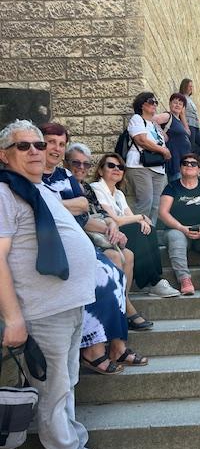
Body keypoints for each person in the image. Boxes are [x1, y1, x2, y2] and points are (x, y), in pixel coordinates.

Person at [0, 119, 119, 449]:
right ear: (4, 155)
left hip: (69, 305)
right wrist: (13, 318)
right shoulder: (5, 193)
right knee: (53, 392)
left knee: (66, 385)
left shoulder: (37, 189)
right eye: (24, 146)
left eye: (39, 144)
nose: (35, 151)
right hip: (43, 311)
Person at [39, 124, 147, 369]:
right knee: (106, 275)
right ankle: (92, 349)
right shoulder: (34, 176)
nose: (55, 148)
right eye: (50, 142)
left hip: (81, 242)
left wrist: (109, 226)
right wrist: (70, 205)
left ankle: (118, 346)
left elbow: (83, 209)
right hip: (58, 248)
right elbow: (56, 207)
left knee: (116, 275)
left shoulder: (65, 177)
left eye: (61, 143)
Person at [65, 142, 152, 332]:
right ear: (66, 163)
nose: (81, 167)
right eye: (76, 163)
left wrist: (113, 227)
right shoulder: (66, 186)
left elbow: (104, 215)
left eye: (85, 164)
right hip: (78, 238)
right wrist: (112, 227)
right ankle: (124, 310)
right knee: (115, 256)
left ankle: (121, 304)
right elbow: (82, 220)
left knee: (129, 254)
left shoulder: (87, 188)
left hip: (99, 233)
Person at [90, 153, 180, 297]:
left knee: (148, 228)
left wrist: (142, 221)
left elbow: (130, 217)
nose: (116, 169)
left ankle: (155, 280)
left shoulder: (118, 194)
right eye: (111, 166)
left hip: (119, 231)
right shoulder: (96, 188)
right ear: (100, 171)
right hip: (104, 232)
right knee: (138, 229)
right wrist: (141, 217)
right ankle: (152, 281)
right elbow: (114, 219)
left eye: (120, 167)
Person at [159, 153, 200, 295]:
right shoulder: (171, 187)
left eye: (193, 164)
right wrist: (181, 228)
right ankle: (184, 280)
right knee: (175, 236)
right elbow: (163, 213)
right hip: (177, 230)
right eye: (185, 163)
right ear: (180, 168)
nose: (189, 165)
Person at [125, 91, 171, 226]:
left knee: (156, 206)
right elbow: (142, 140)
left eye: (156, 102)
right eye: (151, 102)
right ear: (142, 105)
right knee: (145, 202)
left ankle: (150, 233)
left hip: (158, 168)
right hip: (140, 166)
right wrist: (163, 150)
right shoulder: (137, 119)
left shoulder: (154, 124)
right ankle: (138, 233)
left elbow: (164, 139)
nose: (155, 104)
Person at [155, 93, 191, 181]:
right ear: (170, 104)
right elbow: (151, 120)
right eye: (175, 102)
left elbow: (188, 133)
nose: (177, 105)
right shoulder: (168, 116)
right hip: (173, 161)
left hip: (181, 161)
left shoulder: (179, 120)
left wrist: (182, 115)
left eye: (180, 104)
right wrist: (162, 134)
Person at [179, 78, 200, 156]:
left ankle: (194, 156)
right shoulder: (181, 98)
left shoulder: (189, 99)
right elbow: (182, 113)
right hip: (189, 125)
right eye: (189, 86)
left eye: (191, 86)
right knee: (191, 146)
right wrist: (186, 127)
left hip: (195, 126)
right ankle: (189, 158)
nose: (191, 88)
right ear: (184, 86)